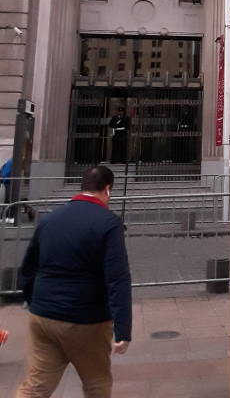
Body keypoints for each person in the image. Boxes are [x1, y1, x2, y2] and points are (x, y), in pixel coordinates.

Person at [16, 165, 131, 397]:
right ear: (107, 190)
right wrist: (123, 329)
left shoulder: (50, 219)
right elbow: (117, 278)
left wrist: (34, 301)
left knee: (36, 387)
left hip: (44, 315)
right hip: (86, 320)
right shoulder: (108, 223)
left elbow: (27, 268)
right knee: (96, 383)